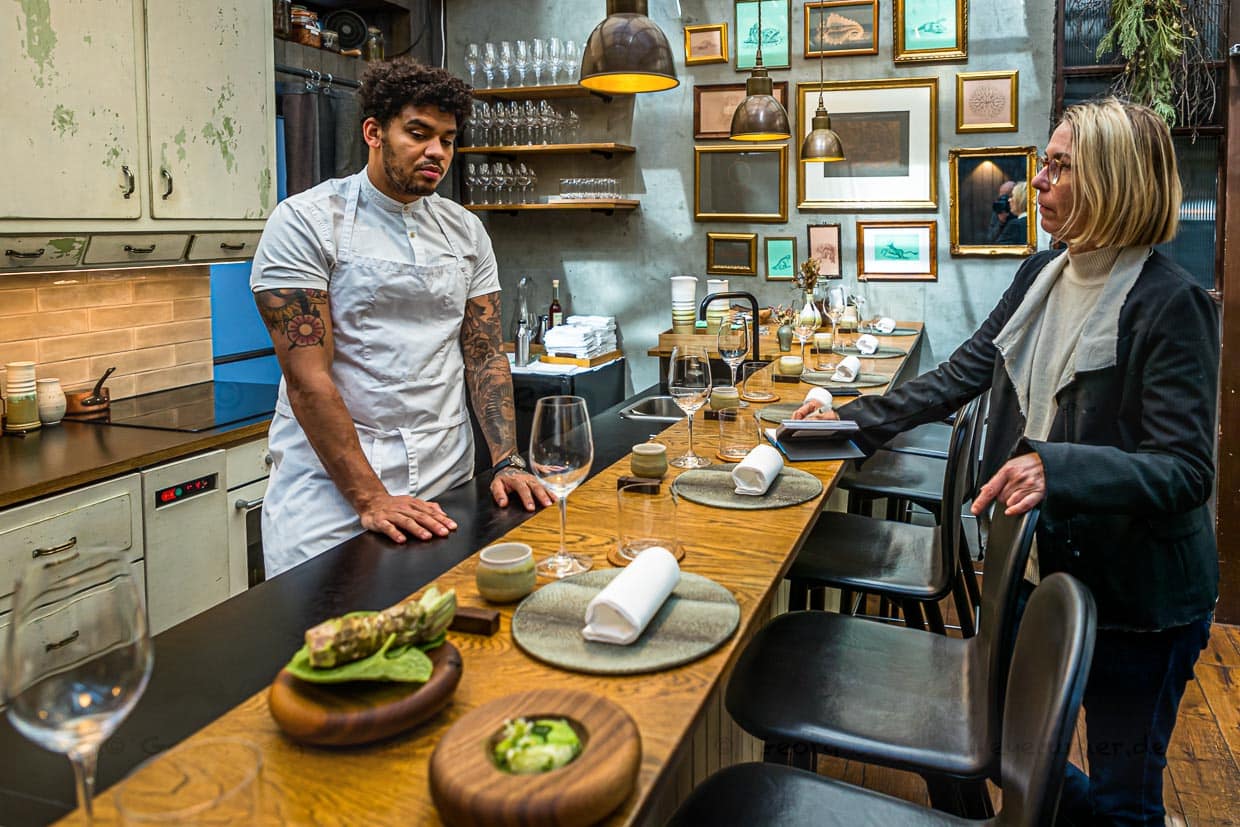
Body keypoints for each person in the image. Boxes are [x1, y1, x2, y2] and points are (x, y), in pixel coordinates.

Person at [795, 98, 1218, 826]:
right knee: (1002, 749)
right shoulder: (1041, 273)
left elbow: (1184, 469)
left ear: (1115, 181)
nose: (1037, 180)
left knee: (1121, 795)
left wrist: (1058, 466)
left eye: (1060, 165)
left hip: (1139, 603)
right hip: (1037, 568)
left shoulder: (1170, 302)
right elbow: (962, 372)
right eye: (1043, 161)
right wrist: (850, 416)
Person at [250, 58, 551, 577]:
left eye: (449, 139)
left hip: (445, 475)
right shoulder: (305, 221)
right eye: (418, 132)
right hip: (333, 493)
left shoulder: (466, 231)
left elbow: (483, 354)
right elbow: (307, 381)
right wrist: (370, 498)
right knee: (326, 638)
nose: (437, 151)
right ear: (374, 132)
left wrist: (506, 458)